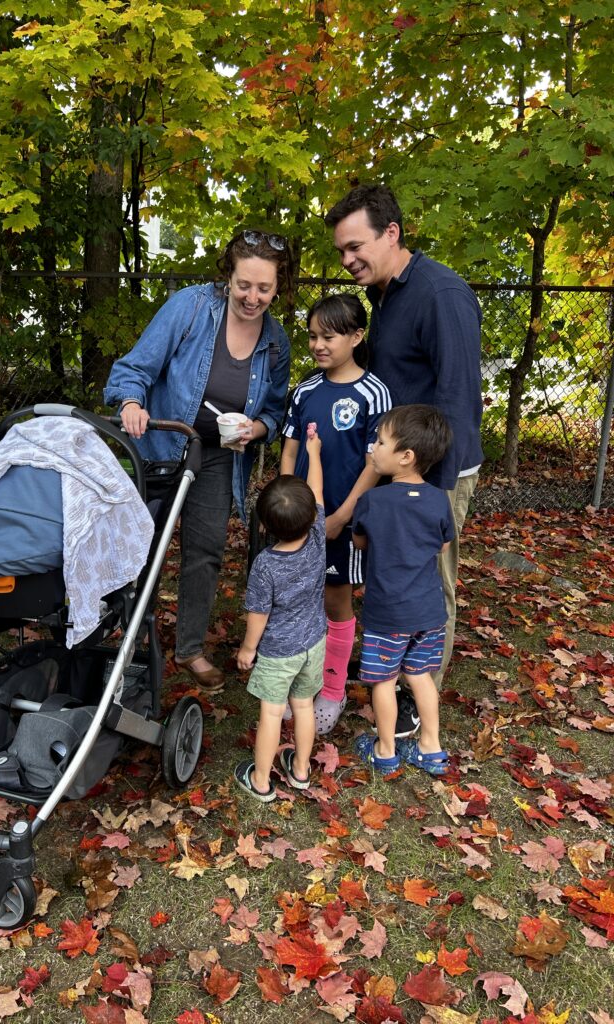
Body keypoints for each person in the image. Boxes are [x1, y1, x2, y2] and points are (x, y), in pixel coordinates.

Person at [104, 230, 292, 691]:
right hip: (161, 446)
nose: (252, 297)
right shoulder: (190, 308)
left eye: (263, 288)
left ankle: (189, 648)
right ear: (227, 275)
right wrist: (131, 404)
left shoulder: (276, 341)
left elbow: (275, 410)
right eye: (244, 284)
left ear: (277, 288)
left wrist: (257, 429)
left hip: (217, 458)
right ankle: (125, 638)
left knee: (205, 552)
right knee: (139, 550)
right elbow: (135, 369)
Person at [325, 184, 482, 718]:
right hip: (396, 464)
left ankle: (420, 698)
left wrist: (429, 493)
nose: (347, 260)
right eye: (341, 251)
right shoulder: (384, 295)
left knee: (428, 585)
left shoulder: (441, 295)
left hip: (434, 473)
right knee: (390, 574)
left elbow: (458, 397)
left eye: (355, 247)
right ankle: (389, 674)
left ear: (391, 234)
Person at [280, 294, 391, 734]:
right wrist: (287, 502)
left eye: (328, 336)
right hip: (300, 519)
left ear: (356, 335)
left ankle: (333, 689)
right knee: (299, 598)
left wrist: (341, 515)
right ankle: (302, 682)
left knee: (334, 600)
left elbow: (374, 464)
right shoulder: (306, 389)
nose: (318, 345)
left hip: (343, 520)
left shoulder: (374, 394)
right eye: (312, 336)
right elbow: (289, 448)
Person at [352, 404, 454, 776]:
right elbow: (443, 546)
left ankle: (385, 749)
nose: (374, 448)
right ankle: (431, 747)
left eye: (380, 441)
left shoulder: (373, 501)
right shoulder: (439, 499)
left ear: (406, 457)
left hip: (387, 613)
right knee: (419, 676)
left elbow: (361, 543)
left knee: (383, 680)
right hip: (428, 612)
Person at [235, 428, 326, 801]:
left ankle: (260, 780)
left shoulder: (265, 565)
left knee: (272, 714)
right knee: (303, 706)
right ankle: (301, 770)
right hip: (315, 642)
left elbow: (258, 613)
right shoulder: (319, 534)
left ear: (264, 526)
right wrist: (313, 453)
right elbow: (317, 493)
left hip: (278, 652)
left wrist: (247, 650)